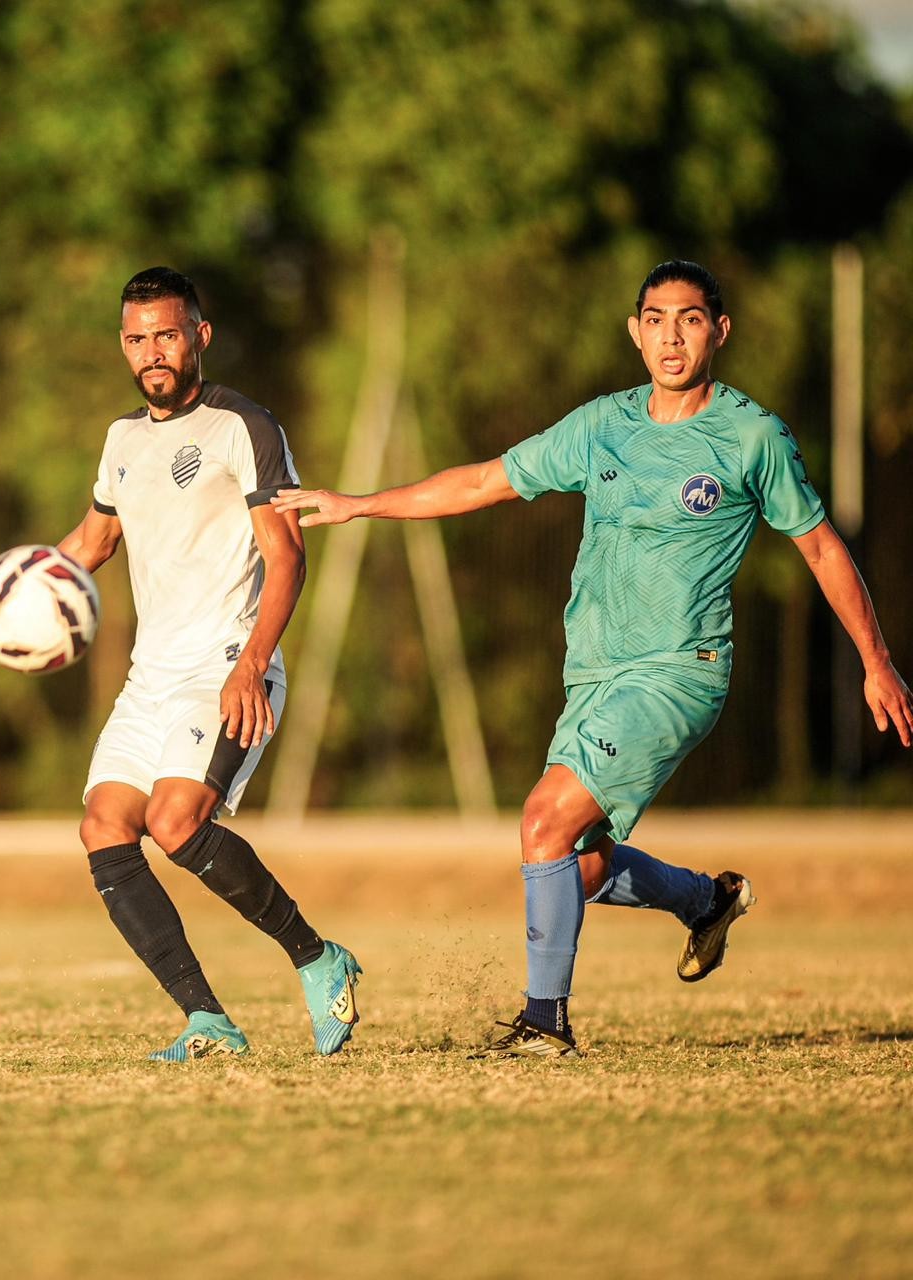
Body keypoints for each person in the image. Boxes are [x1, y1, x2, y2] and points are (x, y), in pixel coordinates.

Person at [271, 259, 913, 1059]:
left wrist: (875, 660)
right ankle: (705, 900)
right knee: (572, 872)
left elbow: (819, 547)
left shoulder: (752, 435)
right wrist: (358, 503)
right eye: (655, 318)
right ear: (636, 331)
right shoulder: (602, 424)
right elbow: (482, 481)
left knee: (543, 822)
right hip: (595, 675)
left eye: (688, 318)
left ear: (720, 330)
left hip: (680, 672)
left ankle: (546, 1023)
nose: (671, 335)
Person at [0, 267, 361, 1062]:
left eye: (166, 333)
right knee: (104, 829)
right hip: (151, 676)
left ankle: (316, 956)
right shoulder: (123, 440)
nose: (152, 351)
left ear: (200, 335)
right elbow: (90, 545)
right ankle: (208, 1021)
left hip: (229, 660)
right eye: (136, 338)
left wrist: (253, 662)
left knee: (176, 822)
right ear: (123, 346)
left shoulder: (244, 426)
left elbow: (287, 556)